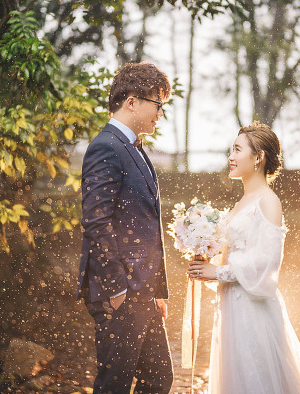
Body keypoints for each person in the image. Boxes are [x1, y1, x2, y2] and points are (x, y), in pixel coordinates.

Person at [188, 122, 300, 394]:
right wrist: (206, 258)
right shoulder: (240, 204)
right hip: (231, 304)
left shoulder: (268, 202)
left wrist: (218, 272)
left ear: (258, 157)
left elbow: (267, 261)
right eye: (232, 150)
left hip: (253, 309)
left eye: (237, 150)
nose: (231, 157)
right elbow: (235, 254)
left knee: (255, 377)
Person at [77, 62, 173, 394]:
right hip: (121, 293)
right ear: (131, 102)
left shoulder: (135, 149)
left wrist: (155, 291)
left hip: (142, 293)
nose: (160, 113)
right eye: (157, 104)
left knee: (158, 380)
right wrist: (117, 289)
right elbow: (96, 221)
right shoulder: (106, 146)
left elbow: (145, 226)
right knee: (113, 386)